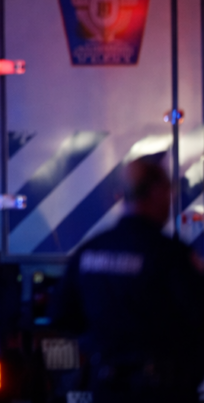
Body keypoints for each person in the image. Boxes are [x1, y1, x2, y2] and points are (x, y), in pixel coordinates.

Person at [54, 156, 204, 402]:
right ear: (155, 193)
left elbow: (62, 315)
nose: (170, 200)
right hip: (161, 390)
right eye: (168, 193)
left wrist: (102, 345)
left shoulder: (90, 250)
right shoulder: (169, 255)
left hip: (106, 386)